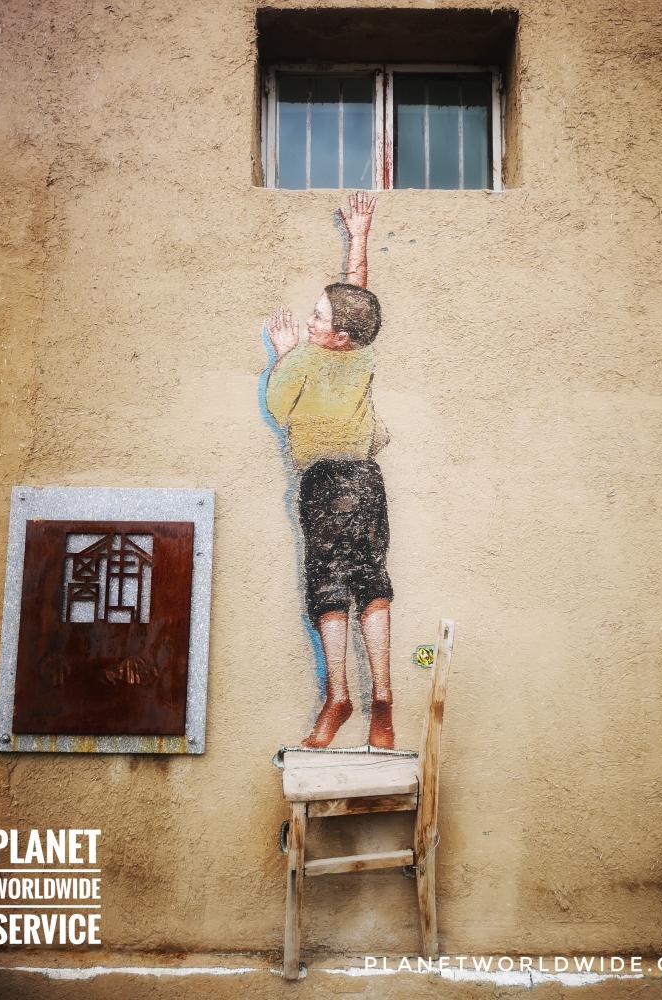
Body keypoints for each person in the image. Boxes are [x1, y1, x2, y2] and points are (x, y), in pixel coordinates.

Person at [264, 192, 395, 749]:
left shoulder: (305, 358)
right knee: (370, 580)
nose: (310, 320)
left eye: (317, 317)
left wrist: (284, 353)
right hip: (365, 481)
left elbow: (279, 409)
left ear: (338, 334)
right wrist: (359, 238)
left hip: (324, 484)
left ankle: (339, 695)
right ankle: (381, 698)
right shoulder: (360, 351)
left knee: (329, 586)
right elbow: (354, 300)